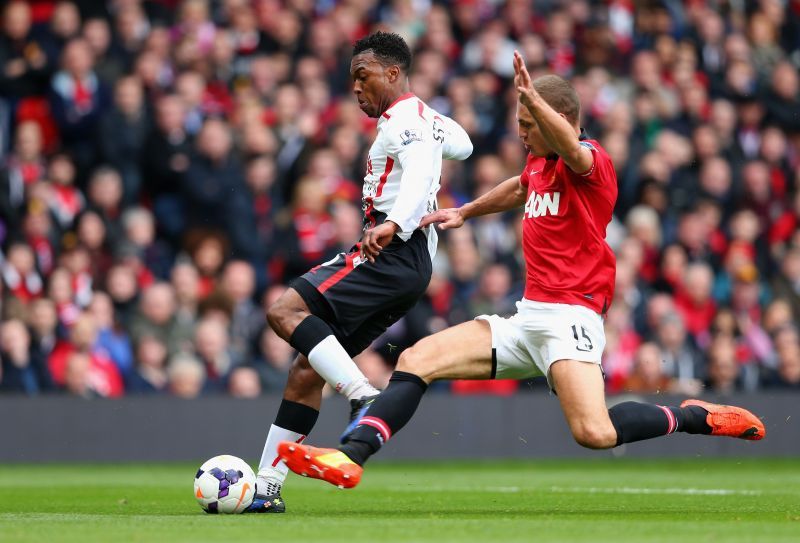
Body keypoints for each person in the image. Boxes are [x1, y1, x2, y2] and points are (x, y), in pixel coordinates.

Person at [276, 51, 765, 490]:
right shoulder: (538, 163)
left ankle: (691, 416)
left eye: (528, 123)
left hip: (571, 319)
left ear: (561, 120)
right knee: (416, 360)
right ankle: (350, 457)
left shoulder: (593, 164)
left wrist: (534, 98)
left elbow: (573, 149)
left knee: (594, 433)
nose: (521, 133)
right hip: (527, 316)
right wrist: (466, 212)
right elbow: (518, 187)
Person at [246, 31, 473, 512]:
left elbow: (413, 175)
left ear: (392, 73)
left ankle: (363, 396)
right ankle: (266, 487)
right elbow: (465, 145)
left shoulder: (403, 121)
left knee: (284, 312)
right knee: (307, 369)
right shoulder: (421, 118)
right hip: (410, 265)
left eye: (362, 75)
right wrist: (435, 126)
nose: (355, 87)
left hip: (389, 251)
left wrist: (394, 221)